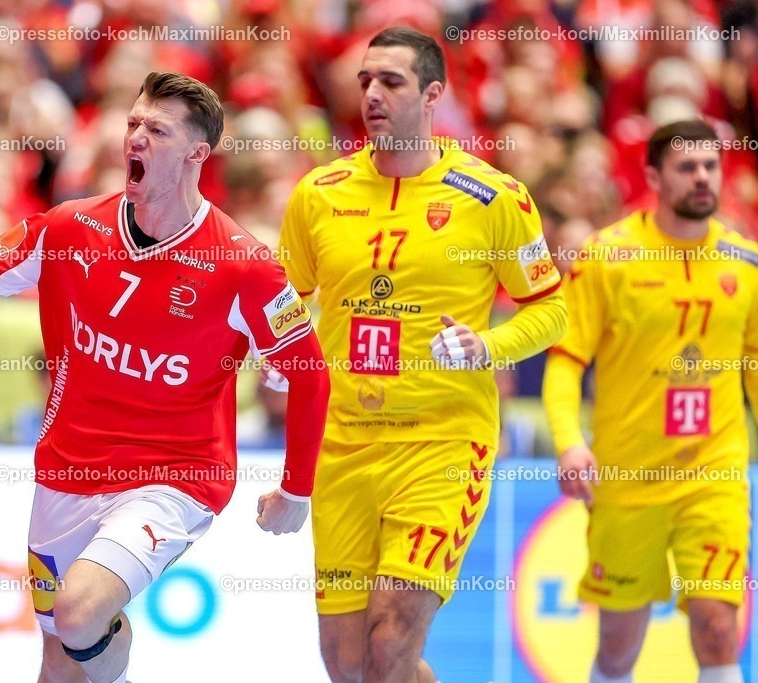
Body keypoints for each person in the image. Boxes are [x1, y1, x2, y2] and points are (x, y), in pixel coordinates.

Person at [0, 71, 330, 683]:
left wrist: (297, 489)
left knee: (75, 615)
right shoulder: (70, 229)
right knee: (57, 664)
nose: (137, 139)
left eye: (158, 129)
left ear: (198, 154)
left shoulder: (242, 265)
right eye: (132, 125)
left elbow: (308, 374)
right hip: (66, 471)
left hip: (174, 476)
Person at [277, 27, 567, 683]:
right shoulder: (318, 194)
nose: (372, 94)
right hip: (343, 445)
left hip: (442, 441)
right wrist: (275, 352)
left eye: (391, 82)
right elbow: (283, 302)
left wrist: (486, 346)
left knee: (390, 642)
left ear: (434, 93)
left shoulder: (492, 196)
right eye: (364, 81)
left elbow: (552, 310)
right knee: (350, 664)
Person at [543, 120, 758, 683]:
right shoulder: (607, 257)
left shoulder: (748, 262)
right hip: (626, 479)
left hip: (713, 474)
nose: (702, 178)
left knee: (718, 625)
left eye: (711, 166)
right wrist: (569, 444)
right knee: (618, 647)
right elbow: (566, 361)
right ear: (652, 177)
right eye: (686, 167)